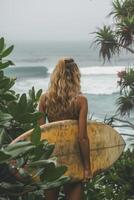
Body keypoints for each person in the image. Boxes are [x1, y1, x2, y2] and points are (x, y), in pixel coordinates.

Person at [38, 58, 91, 200]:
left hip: (52, 159)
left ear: (56, 75)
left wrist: (37, 165)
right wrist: (87, 168)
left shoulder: (44, 99)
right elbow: (82, 138)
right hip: (73, 158)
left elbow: (41, 135)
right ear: (75, 75)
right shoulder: (81, 101)